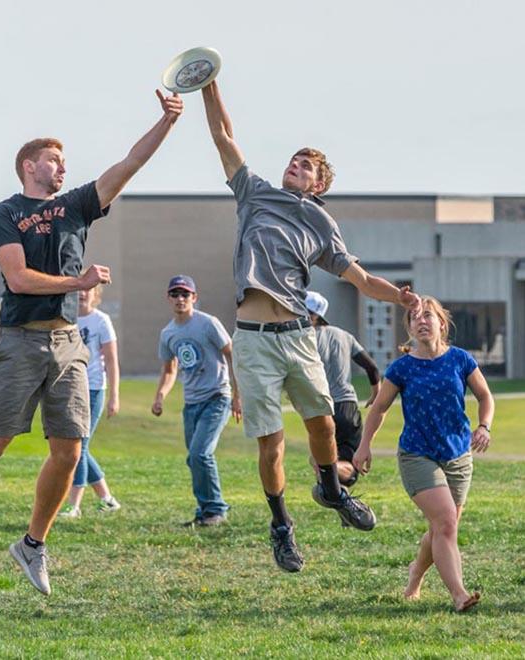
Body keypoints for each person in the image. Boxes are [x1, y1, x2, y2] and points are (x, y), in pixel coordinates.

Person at [0, 90, 184, 596]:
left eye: (64, 162)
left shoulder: (75, 207)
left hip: (68, 344)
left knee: (70, 451)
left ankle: (33, 544)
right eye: (54, 160)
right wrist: (77, 284)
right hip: (21, 341)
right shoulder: (7, 213)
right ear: (29, 165)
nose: (62, 168)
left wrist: (166, 122)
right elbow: (17, 279)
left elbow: (131, 163)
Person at [200, 79, 420, 573]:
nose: (294, 166)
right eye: (293, 160)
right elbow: (222, 135)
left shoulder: (322, 223)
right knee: (271, 442)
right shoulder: (254, 194)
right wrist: (208, 83)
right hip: (254, 340)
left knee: (322, 425)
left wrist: (398, 296)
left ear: (319, 184)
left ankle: (331, 489)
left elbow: (360, 278)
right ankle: (281, 528)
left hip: (300, 337)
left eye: (306, 165)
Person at [353, 297, 493, 612]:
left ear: (442, 323)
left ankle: (415, 574)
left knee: (443, 525)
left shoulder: (460, 359)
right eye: (414, 318)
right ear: (410, 329)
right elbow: (379, 409)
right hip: (417, 455)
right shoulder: (402, 367)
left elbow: (485, 396)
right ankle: (459, 595)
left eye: (427, 315)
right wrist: (364, 446)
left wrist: (484, 426)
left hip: (458, 454)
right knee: (445, 522)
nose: (421, 321)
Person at [151, 275, 242, 526]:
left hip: (217, 396)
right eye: (175, 294)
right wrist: (160, 397)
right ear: (168, 298)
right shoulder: (168, 333)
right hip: (191, 402)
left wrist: (237, 394)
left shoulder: (208, 324)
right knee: (194, 457)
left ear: (194, 298)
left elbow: (232, 355)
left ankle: (215, 510)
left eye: (185, 294)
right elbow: (169, 370)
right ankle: (205, 512)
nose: (180, 299)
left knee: (201, 454)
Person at [305, 291, 380, 496]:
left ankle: (324, 468)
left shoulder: (303, 338)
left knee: (324, 458)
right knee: (350, 466)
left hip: (320, 406)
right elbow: (372, 368)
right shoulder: (344, 335)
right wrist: (376, 394)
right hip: (347, 405)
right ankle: (336, 492)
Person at [59, 285, 121, 518]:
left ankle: (73, 505)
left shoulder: (101, 321)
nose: (83, 293)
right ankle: (107, 499)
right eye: (79, 289)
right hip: (71, 389)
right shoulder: (67, 319)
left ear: (96, 295)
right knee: (80, 447)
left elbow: (112, 361)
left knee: (79, 446)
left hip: (94, 389)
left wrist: (114, 396)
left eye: (89, 290)